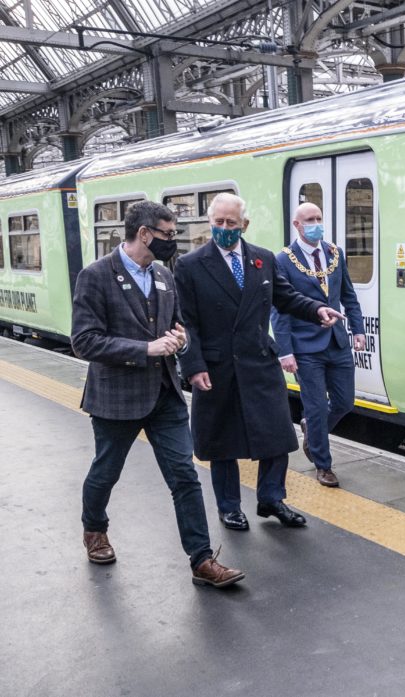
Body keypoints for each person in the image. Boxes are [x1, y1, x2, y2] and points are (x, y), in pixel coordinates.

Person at [72, 200, 243, 589]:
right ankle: (94, 528)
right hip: (118, 396)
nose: (173, 242)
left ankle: (202, 559)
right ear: (145, 233)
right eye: (168, 234)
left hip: (165, 394)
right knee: (106, 470)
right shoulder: (96, 275)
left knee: (185, 474)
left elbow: (176, 323)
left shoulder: (165, 275)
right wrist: (144, 349)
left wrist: (180, 340)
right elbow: (83, 341)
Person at [174, 193, 343, 531]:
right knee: (223, 443)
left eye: (231, 223)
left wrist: (315, 309)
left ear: (244, 225)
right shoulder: (190, 265)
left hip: (258, 361)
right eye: (218, 222)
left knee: (278, 434)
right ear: (210, 223)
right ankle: (229, 506)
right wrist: (192, 365)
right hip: (216, 366)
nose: (224, 228)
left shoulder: (263, 260)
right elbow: (185, 320)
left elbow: (285, 297)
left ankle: (271, 498)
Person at [271, 203, 366, 488]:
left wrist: (358, 329)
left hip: (337, 341)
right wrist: (285, 351)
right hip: (304, 346)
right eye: (309, 220)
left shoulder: (335, 253)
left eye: (319, 219)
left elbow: (348, 295)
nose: (316, 224)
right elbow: (280, 309)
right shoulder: (283, 260)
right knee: (315, 407)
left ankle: (312, 433)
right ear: (297, 225)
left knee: (344, 402)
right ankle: (323, 465)